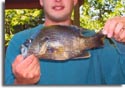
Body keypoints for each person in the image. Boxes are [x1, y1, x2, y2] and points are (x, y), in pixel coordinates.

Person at [5, 0, 125, 85]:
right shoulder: (19, 42)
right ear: (41, 0)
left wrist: (123, 41)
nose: (58, 0)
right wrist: (21, 82)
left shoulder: (101, 42)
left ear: (75, 1)